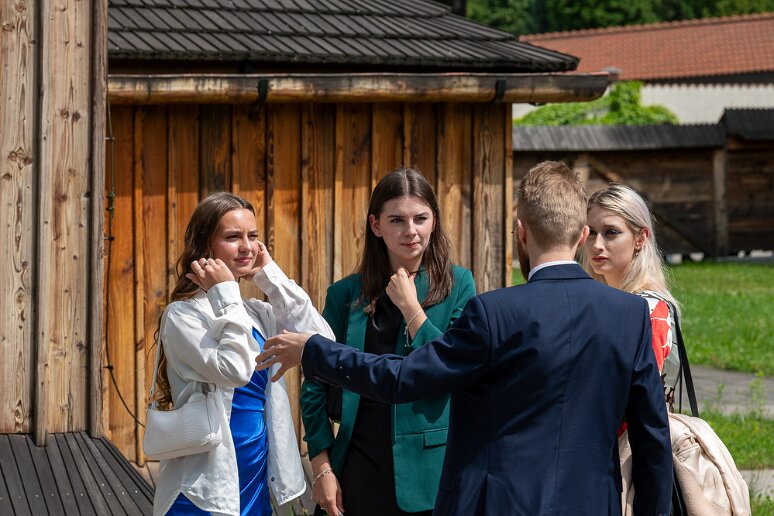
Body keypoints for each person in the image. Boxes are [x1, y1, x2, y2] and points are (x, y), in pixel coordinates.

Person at [256, 161, 673, 515]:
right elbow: (652, 440)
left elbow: (406, 378)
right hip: (592, 502)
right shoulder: (631, 315)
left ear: (521, 231)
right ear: (583, 235)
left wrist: (314, 351)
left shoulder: (494, 312)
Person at [301, 168, 476, 516]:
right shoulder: (343, 295)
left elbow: (449, 370)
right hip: (356, 468)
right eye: (397, 220)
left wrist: (411, 309)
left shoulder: (459, 285)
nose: (411, 231)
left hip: (430, 474)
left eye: (421, 218)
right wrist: (322, 466)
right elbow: (315, 385)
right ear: (376, 225)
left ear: (434, 222)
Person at [151, 192, 334, 516]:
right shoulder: (183, 315)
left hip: (256, 477)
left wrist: (270, 276)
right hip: (205, 485)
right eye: (233, 237)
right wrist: (226, 293)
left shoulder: (256, 314)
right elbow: (235, 370)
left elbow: (322, 341)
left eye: (253, 236)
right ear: (205, 245)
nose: (247, 246)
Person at [582, 184, 681, 407]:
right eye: (591, 233)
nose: (597, 245)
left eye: (611, 233)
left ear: (640, 238)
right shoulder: (600, 301)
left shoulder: (650, 309)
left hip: (631, 439)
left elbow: (640, 398)